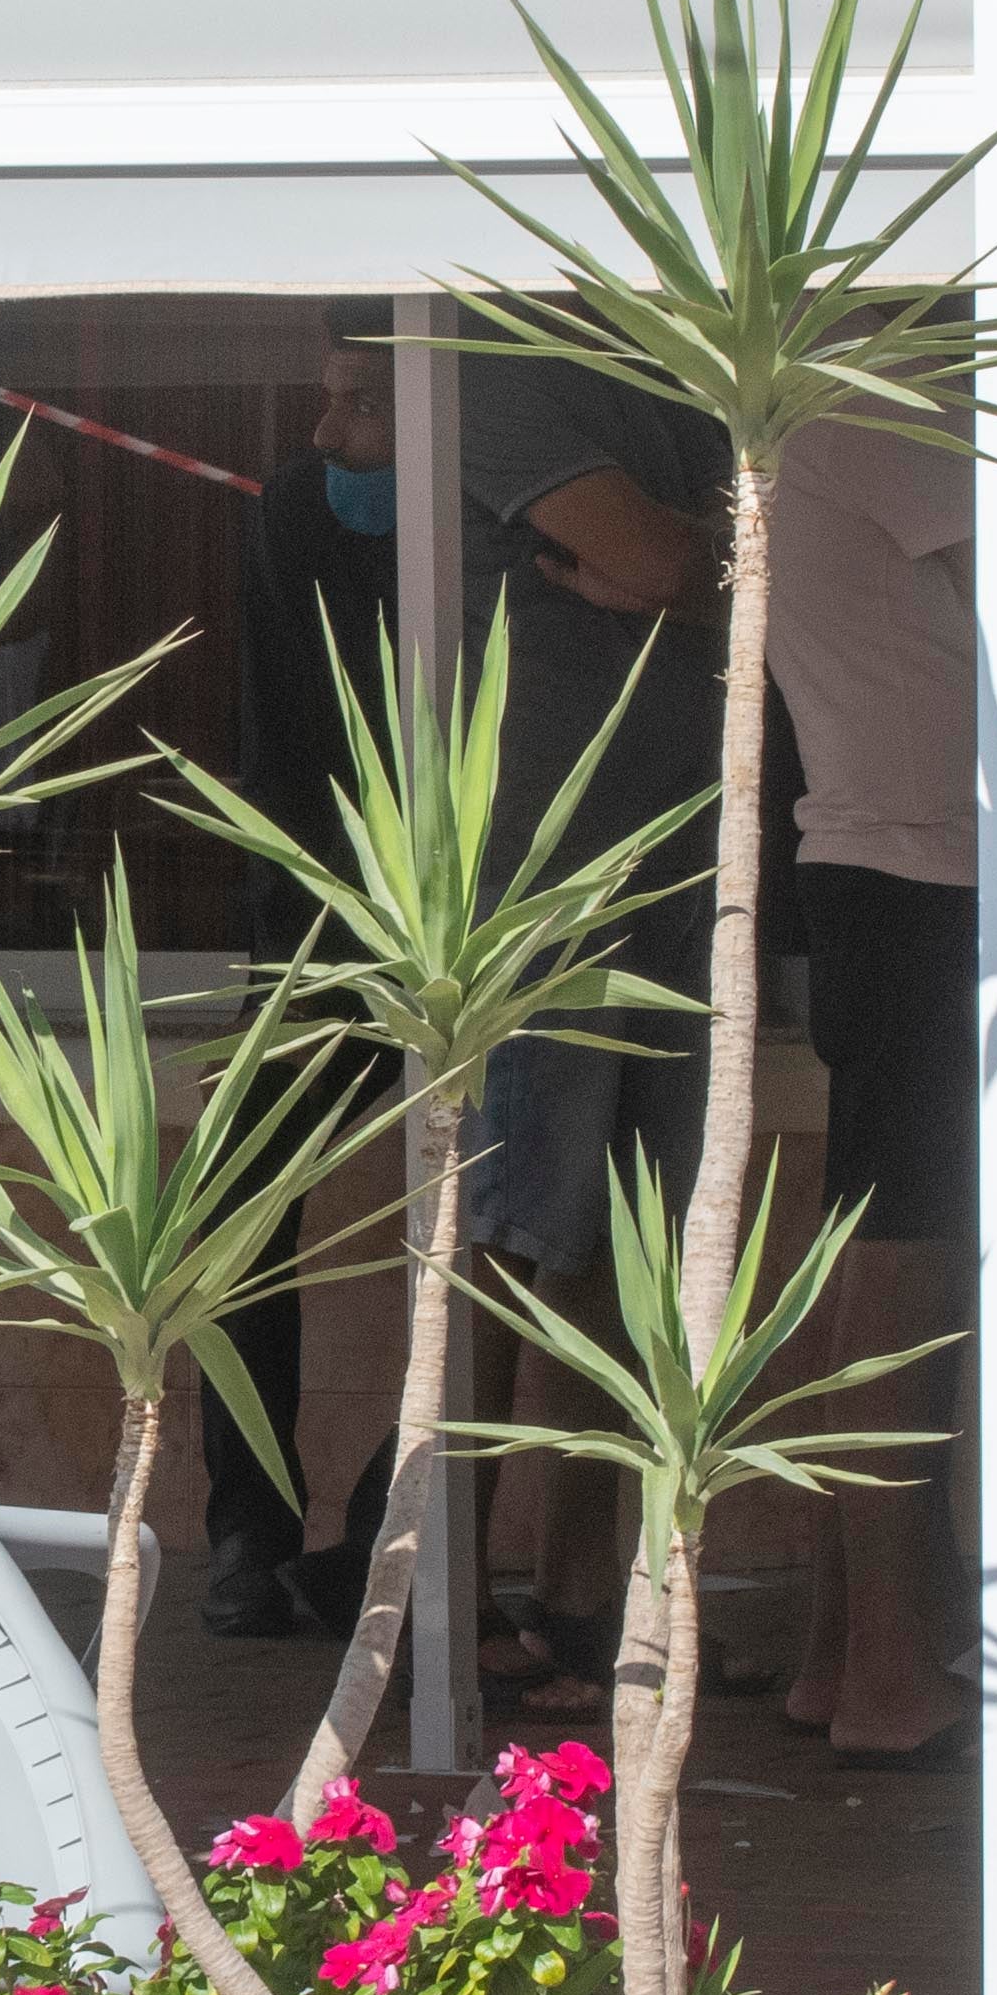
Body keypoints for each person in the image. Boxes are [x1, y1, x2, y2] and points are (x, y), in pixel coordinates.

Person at [450, 331, 728, 1702]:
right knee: (504, 1242)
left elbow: (739, 561)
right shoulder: (495, 372)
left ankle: (578, 1601)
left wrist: (678, 563)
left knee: (624, 1246)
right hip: (534, 881)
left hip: (674, 859)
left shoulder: (694, 369)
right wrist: (676, 561)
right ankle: (438, 1600)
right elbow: (678, 562)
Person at [758, 382, 977, 1764]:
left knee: (873, 1260)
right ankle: (887, 1673)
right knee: (905, 1270)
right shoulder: (878, 406)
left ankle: (844, 1653)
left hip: (883, 859)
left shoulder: (811, 409)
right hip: (921, 869)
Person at [197, 323, 409, 1641]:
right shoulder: (296, 511)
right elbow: (289, 739)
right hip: (324, 915)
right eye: (327, 399)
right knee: (232, 1199)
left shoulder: (504, 515)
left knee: (513, 1231)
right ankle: (249, 1527)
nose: (329, 431)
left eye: (364, 404)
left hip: (489, 910)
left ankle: (384, 1529)